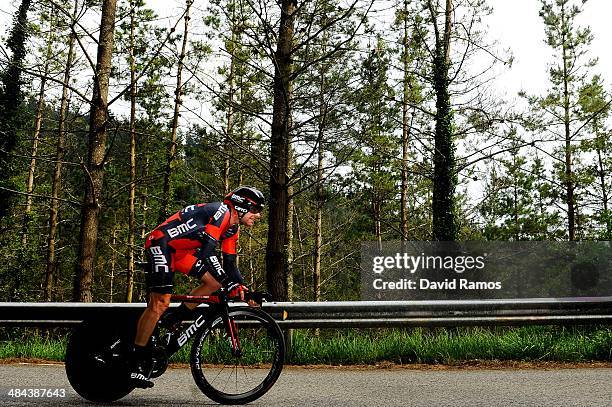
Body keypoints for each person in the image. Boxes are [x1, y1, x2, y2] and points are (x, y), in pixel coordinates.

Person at [129, 186, 266, 388]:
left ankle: (173, 319)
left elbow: (230, 265)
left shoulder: (232, 228)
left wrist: (245, 290)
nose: (259, 215)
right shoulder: (222, 212)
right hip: (162, 243)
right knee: (160, 302)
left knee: (214, 283)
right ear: (243, 205)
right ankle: (135, 363)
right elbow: (207, 254)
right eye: (256, 210)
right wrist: (230, 285)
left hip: (180, 250)